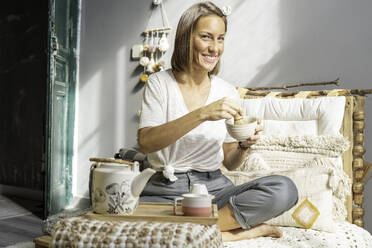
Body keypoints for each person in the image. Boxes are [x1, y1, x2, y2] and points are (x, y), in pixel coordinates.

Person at [137, 1, 298, 242]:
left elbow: (230, 163)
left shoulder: (227, 91)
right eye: (206, 37)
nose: (215, 48)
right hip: (164, 190)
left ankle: (192, 231)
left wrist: (244, 145)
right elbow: (146, 143)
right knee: (121, 214)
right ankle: (229, 234)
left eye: (220, 39)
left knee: (285, 190)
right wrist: (203, 113)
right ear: (186, 38)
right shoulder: (160, 83)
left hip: (212, 190)